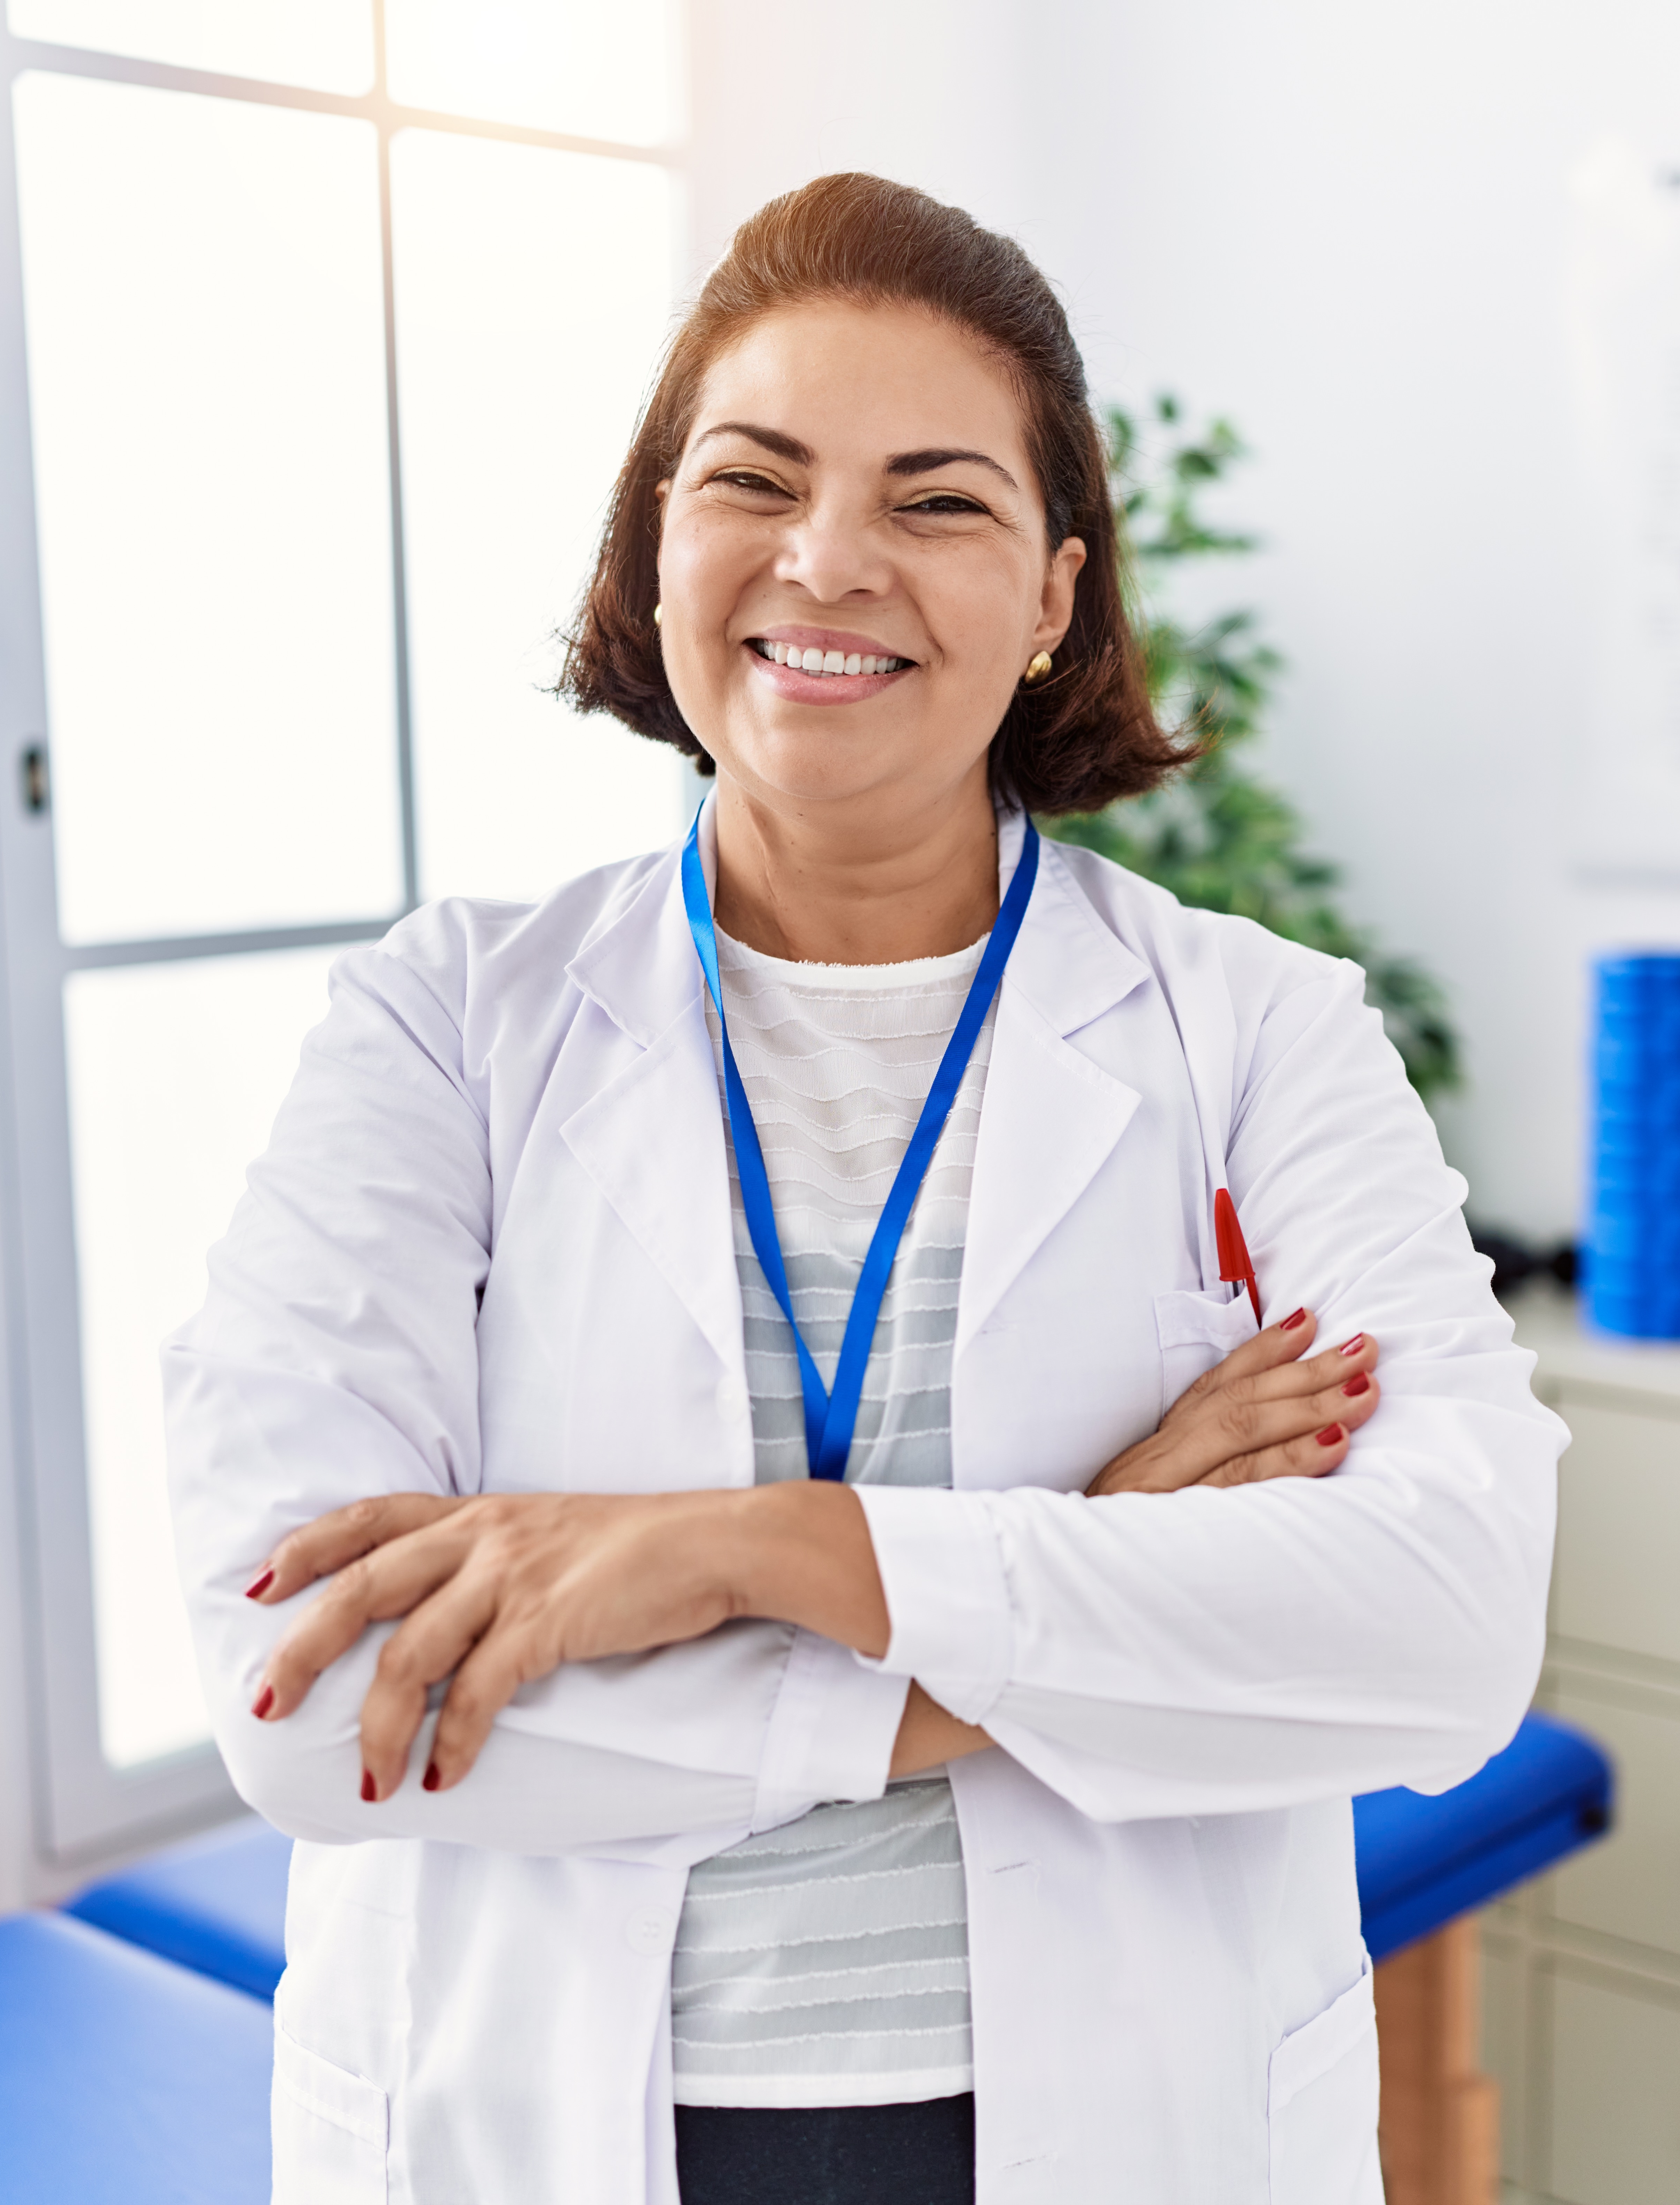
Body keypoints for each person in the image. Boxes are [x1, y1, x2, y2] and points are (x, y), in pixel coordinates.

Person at [165, 172, 1561, 2205]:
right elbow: (303, 1710)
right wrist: (1073, 1575)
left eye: (937, 500)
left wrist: (766, 1551)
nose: (832, 560)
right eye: (755, 480)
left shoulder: (1254, 1035)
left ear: (1059, 593)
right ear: (658, 546)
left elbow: (1444, 1629)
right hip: (541, 2120)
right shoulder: (445, 1026)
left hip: (1123, 2124)